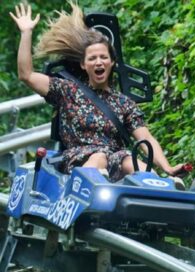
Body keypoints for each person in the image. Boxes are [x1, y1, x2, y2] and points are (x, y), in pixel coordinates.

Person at [10, 2, 186, 187]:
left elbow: (145, 138)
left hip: (116, 159)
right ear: (84, 65)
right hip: (81, 159)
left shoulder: (124, 103)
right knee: (99, 157)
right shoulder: (68, 90)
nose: (98, 62)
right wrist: (26, 33)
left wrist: (167, 167)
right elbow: (26, 75)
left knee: (129, 160)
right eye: (92, 58)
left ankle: (160, 187)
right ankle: (91, 187)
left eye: (103, 57)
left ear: (111, 62)